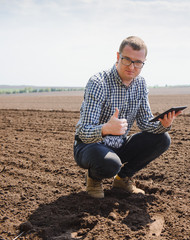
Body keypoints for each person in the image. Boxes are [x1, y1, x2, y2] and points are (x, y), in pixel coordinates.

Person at [73, 36, 182, 198]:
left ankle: (123, 179)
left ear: (143, 62)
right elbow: (83, 132)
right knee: (111, 164)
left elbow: (145, 122)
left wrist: (163, 125)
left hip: (119, 144)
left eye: (138, 62)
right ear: (118, 57)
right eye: (127, 60)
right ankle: (94, 178)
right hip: (90, 146)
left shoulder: (140, 84)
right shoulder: (98, 82)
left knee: (162, 138)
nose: (132, 67)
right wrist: (106, 129)